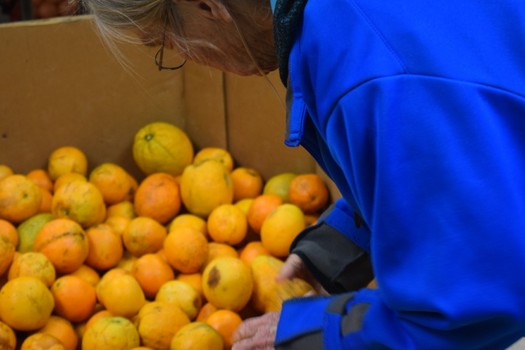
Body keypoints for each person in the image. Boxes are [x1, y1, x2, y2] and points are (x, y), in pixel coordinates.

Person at [82, 0, 525, 348]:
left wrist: (314, 335)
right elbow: (452, 165)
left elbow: (470, 302)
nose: (183, 56)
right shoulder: (344, 24)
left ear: (205, 5)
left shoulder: (370, 70)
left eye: (165, 43)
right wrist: (336, 247)